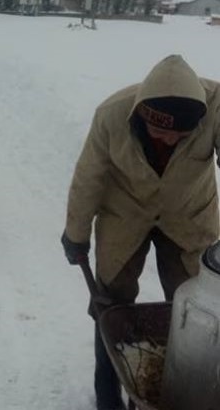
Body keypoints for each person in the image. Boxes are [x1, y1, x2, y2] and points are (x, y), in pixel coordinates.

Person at [61, 54, 220, 410]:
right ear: (142, 116)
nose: (169, 140)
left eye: (181, 134)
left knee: (194, 307)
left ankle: (187, 385)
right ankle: (107, 389)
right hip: (125, 211)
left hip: (189, 214)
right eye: (161, 130)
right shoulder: (111, 115)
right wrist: (76, 234)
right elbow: (89, 179)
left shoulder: (216, 108)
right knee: (111, 301)